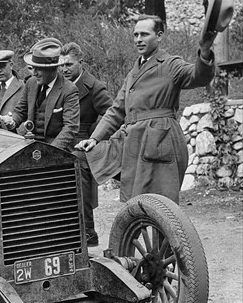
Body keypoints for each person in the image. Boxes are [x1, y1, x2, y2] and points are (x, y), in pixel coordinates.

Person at [76, 15, 217, 204]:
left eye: (144, 34)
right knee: (84, 158)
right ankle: (91, 229)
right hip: (133, 140)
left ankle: (165, 234)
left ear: (159, 36)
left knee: (161, 206)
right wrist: (95, 138)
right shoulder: (134, 71)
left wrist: (205, 51)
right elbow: (116, 110)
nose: (138, 39)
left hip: (160, 138)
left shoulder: (171, 64)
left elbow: (198, 76)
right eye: (135, 35)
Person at [59, 42, 112, 246]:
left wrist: (95, 138)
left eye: (69, 65)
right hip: (60, 138)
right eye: (61, 65)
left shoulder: (94, 87)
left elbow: (111, 115)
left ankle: (88, 231)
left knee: (78, 173)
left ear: (80, 62)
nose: (64, 69)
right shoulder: (59, 84)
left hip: (81, 145)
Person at [9, 38, 79, 152]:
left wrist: (50, 151)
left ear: (52, 68)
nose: (34, 73)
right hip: (30, 145)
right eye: (33, 68)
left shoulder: (69, 89)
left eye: (39, 69)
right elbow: (20, 111)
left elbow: (70, 128)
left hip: (57, 151)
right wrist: (11, 121)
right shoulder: (31, 83)